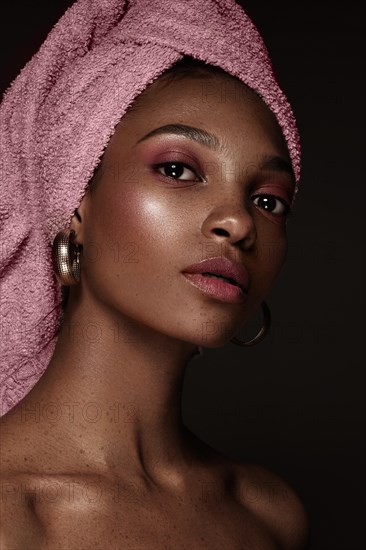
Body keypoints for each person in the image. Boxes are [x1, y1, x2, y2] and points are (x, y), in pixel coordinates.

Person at [0, 0, 309, 547]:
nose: (239, 222)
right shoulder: (12, 516)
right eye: (178, 170)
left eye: (268, 200)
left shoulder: (269, 517)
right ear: (74, 201)